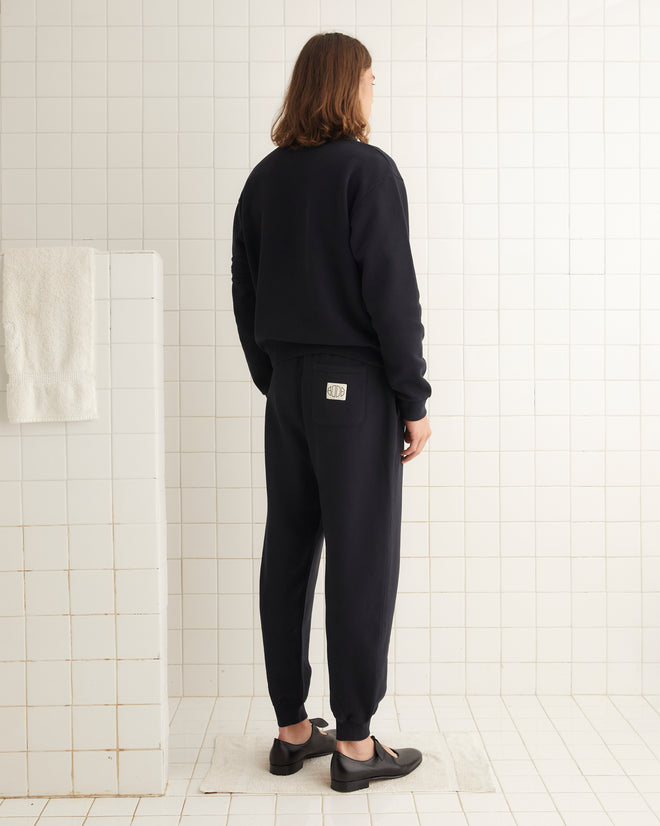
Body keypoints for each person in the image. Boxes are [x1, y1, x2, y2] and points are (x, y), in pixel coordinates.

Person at [231, 32, 432, 792]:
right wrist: (411, 397)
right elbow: (391, 293)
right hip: (354, 388)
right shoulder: (369, 172)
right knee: (360, 556)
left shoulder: (263, 179)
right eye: (371, 82)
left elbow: (242, 284)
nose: (374, 94)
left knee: (288, 546)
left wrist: (274, 376)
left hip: (287, 389)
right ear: (347, 87)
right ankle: (354, 745)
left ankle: (292, 729)